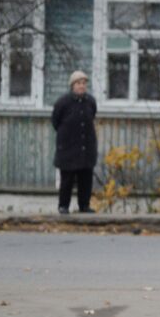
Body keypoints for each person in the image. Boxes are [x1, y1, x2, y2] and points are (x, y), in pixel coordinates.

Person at [52, 70, 98, 214]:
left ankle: (84, 205)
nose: (82, 86)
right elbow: (55, 121)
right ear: (72, 85)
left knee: (85, 179)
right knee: (67, 180)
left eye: (84, 83)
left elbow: (92, 117)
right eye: (78, 83)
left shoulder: (90, 101)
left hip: (86, 148)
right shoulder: (63, 102)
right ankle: (63, 206)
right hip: (68, 148)